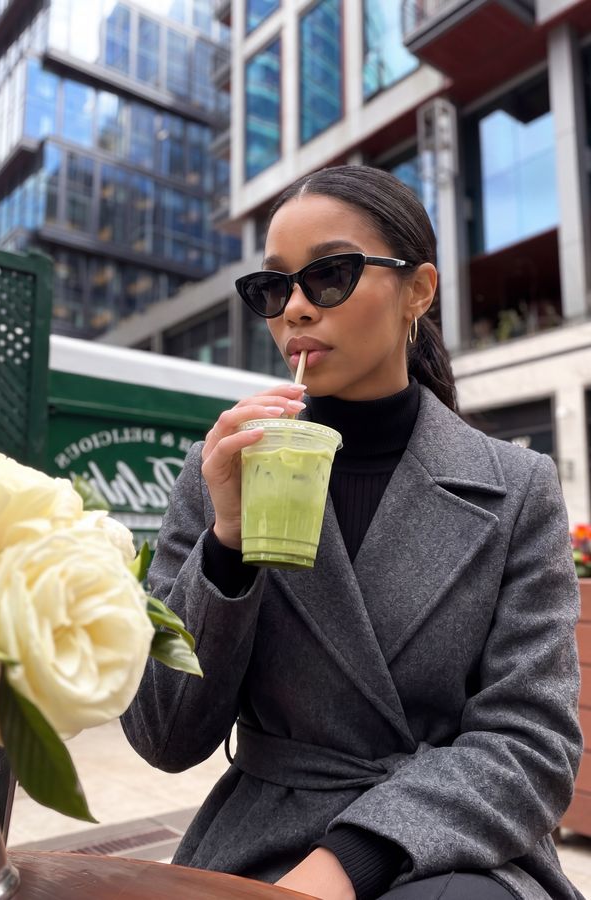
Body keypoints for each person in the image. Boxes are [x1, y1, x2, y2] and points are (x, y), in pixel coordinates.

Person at [121, 165, 583, 900]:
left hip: (451, 847)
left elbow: (533, 743)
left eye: (329, 275)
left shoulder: (518, 488)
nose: (296, 309)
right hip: (261, 840)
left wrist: (349, 862)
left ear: (418, 291)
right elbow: (164, 737)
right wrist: (227, 545)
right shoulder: (221, 471)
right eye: (274, 288)